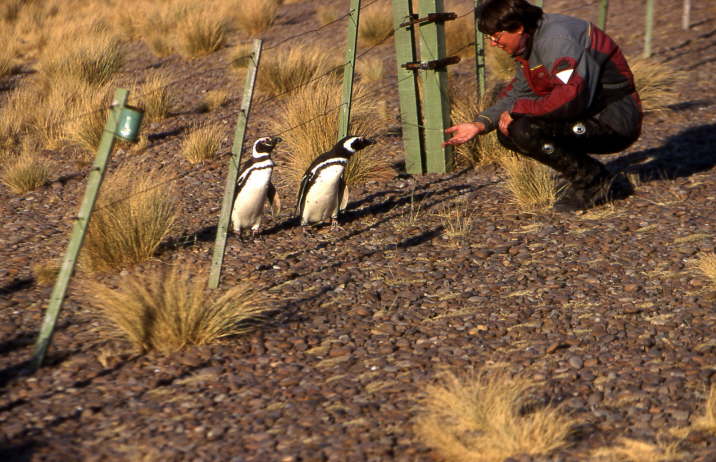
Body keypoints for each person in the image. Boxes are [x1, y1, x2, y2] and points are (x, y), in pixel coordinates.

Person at [443, 0, 642, 211]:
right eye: (489, 37)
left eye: (496, 36)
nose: (493, 43)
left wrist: (520, 109)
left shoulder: (557, 40)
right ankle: (593, 176)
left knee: (523, 129)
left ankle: (593, 184)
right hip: (591, 113)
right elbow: (520, 91)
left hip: (616, 120)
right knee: (509, 130)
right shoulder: (530, 42)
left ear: (518, 28)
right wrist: (480, 124)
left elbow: (570, 98)